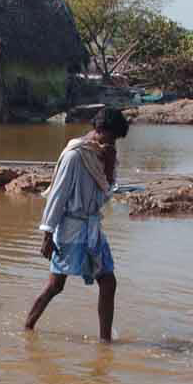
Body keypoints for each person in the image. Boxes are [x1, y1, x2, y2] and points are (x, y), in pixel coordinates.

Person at [23, 107, 129, 342]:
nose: (113, 144)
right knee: (55, 286)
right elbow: (57, 196)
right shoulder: (75, 155)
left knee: (108, 282)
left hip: (91, 228)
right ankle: (27, 328)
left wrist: (110, 167)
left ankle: (105, 342)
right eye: (111, 138)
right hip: (70, 229)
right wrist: (47, 235)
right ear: (99, 131)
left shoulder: (102, 156)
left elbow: (104, 195)